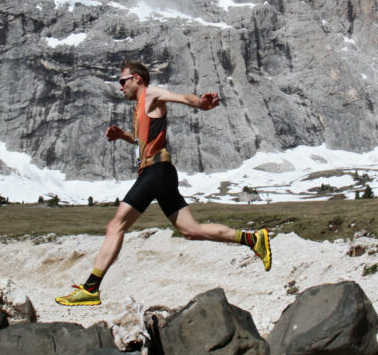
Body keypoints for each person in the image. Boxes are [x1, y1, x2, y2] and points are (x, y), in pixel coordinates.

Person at [55, 60, 271, 306]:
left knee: (116, 224)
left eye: (122, 81)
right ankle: (253, 239)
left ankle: (90, 289)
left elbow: (180, 98)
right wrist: (122, 136)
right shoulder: (140, 107)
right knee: (191, 230)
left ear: (136, 78)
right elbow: (140, 140)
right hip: (162, 173)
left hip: (155, 171)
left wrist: (200, 102)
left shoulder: (151, 94)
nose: (120, 87)